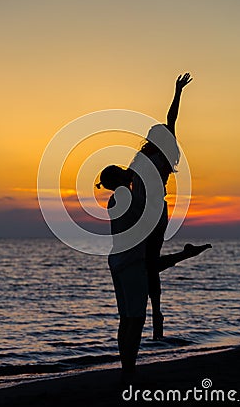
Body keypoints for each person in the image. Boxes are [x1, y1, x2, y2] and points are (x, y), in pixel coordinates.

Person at [96, 164, 211, 382]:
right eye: (122, 171)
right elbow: (156, 217)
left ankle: (126, 368)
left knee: (126, 320)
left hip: (118, 261)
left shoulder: (114, 200)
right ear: (119, 178)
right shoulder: (131, 199)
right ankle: (128, 371)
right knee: (136, 320)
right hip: (131, 263)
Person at [130, 73, 193, 339]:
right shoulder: (141, 159)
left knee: (150, 262)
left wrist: (178, 92)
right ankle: (153, 312)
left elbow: (172, 120)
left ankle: (155, 312)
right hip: (140, 214)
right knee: (148, 264)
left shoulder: (166, 155)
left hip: (154, 213)